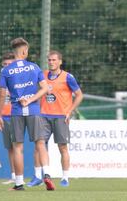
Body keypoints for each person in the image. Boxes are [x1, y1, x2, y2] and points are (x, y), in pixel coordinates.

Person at [0, 37, 55, 191]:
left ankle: (19, 183)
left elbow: (2, 94)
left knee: (17, 147)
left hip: (16, 111)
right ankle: (47, 174)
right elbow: (45, 88)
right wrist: (31, 100)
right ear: (23, 51)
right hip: (34, 110)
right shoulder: (34, 67)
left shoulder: (6, 71)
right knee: (40, 143)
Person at [28, 50, 83, 187]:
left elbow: (79, 95)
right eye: (49, 60)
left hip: (60, 117)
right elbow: (39, 92)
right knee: (38, 146)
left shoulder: (68, 77)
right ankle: (37, 177)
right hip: (44, 116)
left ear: (60, 62)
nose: (51, 62)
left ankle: (65, 177)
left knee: (62, 148)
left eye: (54, 60)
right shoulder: (43, 75)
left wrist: (70, 111)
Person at [0, 52, 16, 185]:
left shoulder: (20, 77)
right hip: (5, 116)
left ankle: (22, 176)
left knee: (18, 146)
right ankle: (13, 175)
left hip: (17, 115)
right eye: (5, 64)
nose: (7, 66)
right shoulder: (1, 79)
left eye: (9, 64)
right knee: (10, 147)